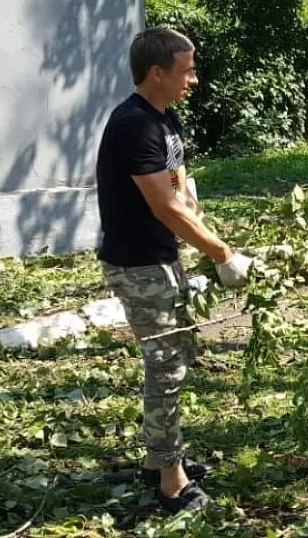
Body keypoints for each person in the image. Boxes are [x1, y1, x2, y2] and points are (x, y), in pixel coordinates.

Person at [96, 27, 255, 512]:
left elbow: (176, 185)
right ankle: (170, 482)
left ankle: (160, 459)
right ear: (157, 72)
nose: (194, 79)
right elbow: (164, 206)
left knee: (180, 354)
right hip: (138, 263)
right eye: (186, 70)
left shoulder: (165, 120)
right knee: (166, 366)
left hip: (162, 258)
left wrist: (193, 205)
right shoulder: (135, 125)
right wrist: (222, 253)